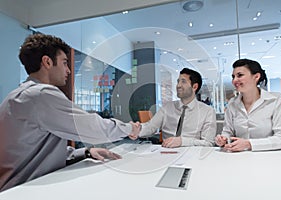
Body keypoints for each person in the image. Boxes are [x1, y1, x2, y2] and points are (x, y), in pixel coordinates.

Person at [0, 34, 140, 192]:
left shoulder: (18, 95)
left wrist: (85, 152)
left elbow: (35, 151)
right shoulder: (40, 94)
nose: (68, 70)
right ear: (47, 62)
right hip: (21, 191)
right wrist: (129, 129)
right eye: (64, 63)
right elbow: (92, 127)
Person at [215, 58, 281, 152]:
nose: (235, 80)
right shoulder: (232, 103)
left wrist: (249, 144)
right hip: (239, 157)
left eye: (240, 75)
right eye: (233, 76)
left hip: (269, 157)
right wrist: (223, 139)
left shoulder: (276, 100)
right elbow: (227, 132)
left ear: (256, 77)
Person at [130, 68, 216, 148]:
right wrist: (137, 130)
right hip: (166, 153)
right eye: (178, 81)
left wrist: (182, 141)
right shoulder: (167, 107)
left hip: (192, 156)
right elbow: (151, 127)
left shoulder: (208, 111)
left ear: (194, 87)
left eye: (183, 82)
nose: (178, 85)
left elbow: (208, 143)